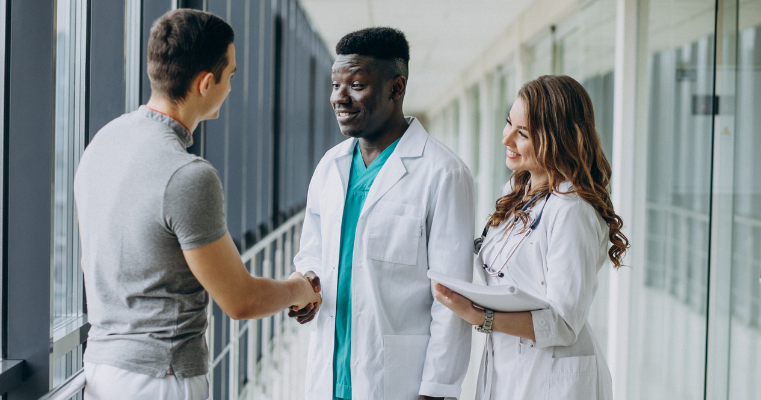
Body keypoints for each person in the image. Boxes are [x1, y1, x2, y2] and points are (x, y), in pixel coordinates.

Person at [74, 9, 320, 400]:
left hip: (100, 371)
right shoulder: (188, 175)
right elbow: (240, 300)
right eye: (231, 76)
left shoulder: (101, 144)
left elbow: (91, 263)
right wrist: (298, 289)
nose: (230, 86)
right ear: (206, 83)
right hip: (161, 379)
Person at [290, 27, 475, 400]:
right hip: (330, 374)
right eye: (335, 85)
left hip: (397, 383)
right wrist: (306, 283)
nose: (339, 98)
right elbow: (311, 251)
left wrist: (436, 391)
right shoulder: (330, 167)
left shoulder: (442, 173)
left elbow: (451, 299)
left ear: (396, 87)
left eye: (356, 85)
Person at [434, 75, 629, 400]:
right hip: (508, 366)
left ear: (558, 139)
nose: (506, 138)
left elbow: (564, 325)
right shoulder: (517, 190)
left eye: (522, 133)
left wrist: (480, 317)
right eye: (508, 123)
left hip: (554, 378)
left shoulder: (572, 211)